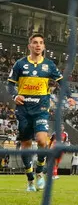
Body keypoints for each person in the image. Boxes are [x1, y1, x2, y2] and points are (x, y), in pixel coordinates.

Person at [6, 32, 62, 192]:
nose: (38, 45)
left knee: (42, 141)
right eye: (35, 42)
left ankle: (39, 171)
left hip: (41, 108)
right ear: (29, 46)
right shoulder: (20, 64)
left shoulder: (49, 65)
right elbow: (10, 84)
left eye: (41, 43)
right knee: (26, 145)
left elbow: (62, 81)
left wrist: (69, 95)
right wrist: (15, 96)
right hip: (23, 109)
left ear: (44, 46)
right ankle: (30, 179)